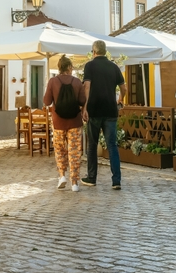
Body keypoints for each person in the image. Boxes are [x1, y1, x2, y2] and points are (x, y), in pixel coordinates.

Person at [82, 40, 126, 189]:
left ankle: (92, 178)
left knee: (92, 145)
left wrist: (85, 107)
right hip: (110, 110)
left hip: (94, 110)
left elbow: (86, 86)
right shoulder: (114, 67)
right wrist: (121, 99)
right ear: (105, 51)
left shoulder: (89, 66)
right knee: (112, 145)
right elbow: (123, 87)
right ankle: (116, 181)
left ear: (93, 52)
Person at [43, 55, 87, 191]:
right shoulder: (77, 81)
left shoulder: (53, 81)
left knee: (60, 150)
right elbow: (82, 100)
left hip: (58, 122)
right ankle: (74, 183)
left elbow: (46, 101)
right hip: (74, 121)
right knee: (74, 152)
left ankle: (62, 176)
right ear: (69, 67)